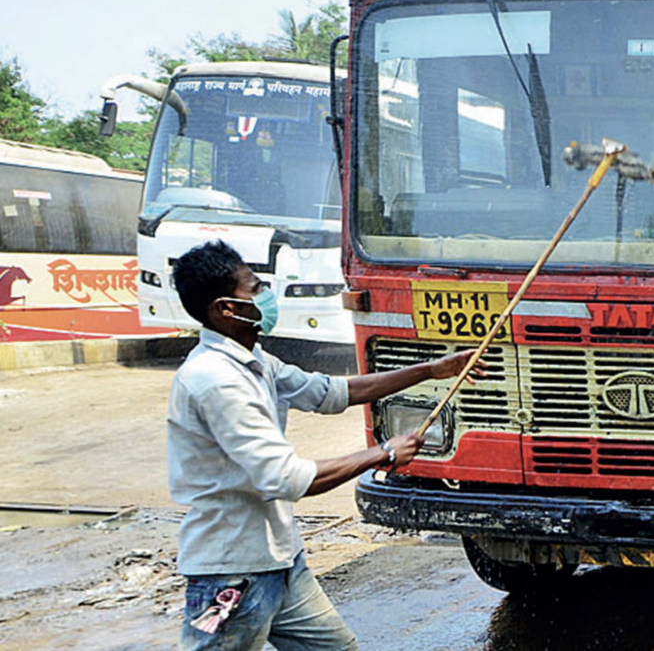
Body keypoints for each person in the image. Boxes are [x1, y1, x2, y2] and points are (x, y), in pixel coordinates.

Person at [167, 240, 481, 650]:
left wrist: (431, 370)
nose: (265, 295)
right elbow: (288, 478)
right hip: (232, 574)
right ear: (224, 308)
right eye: (253, 287)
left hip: (281, 561)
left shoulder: (255, 360)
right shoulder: (216, 380)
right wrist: (383, 454)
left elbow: (331, 392)